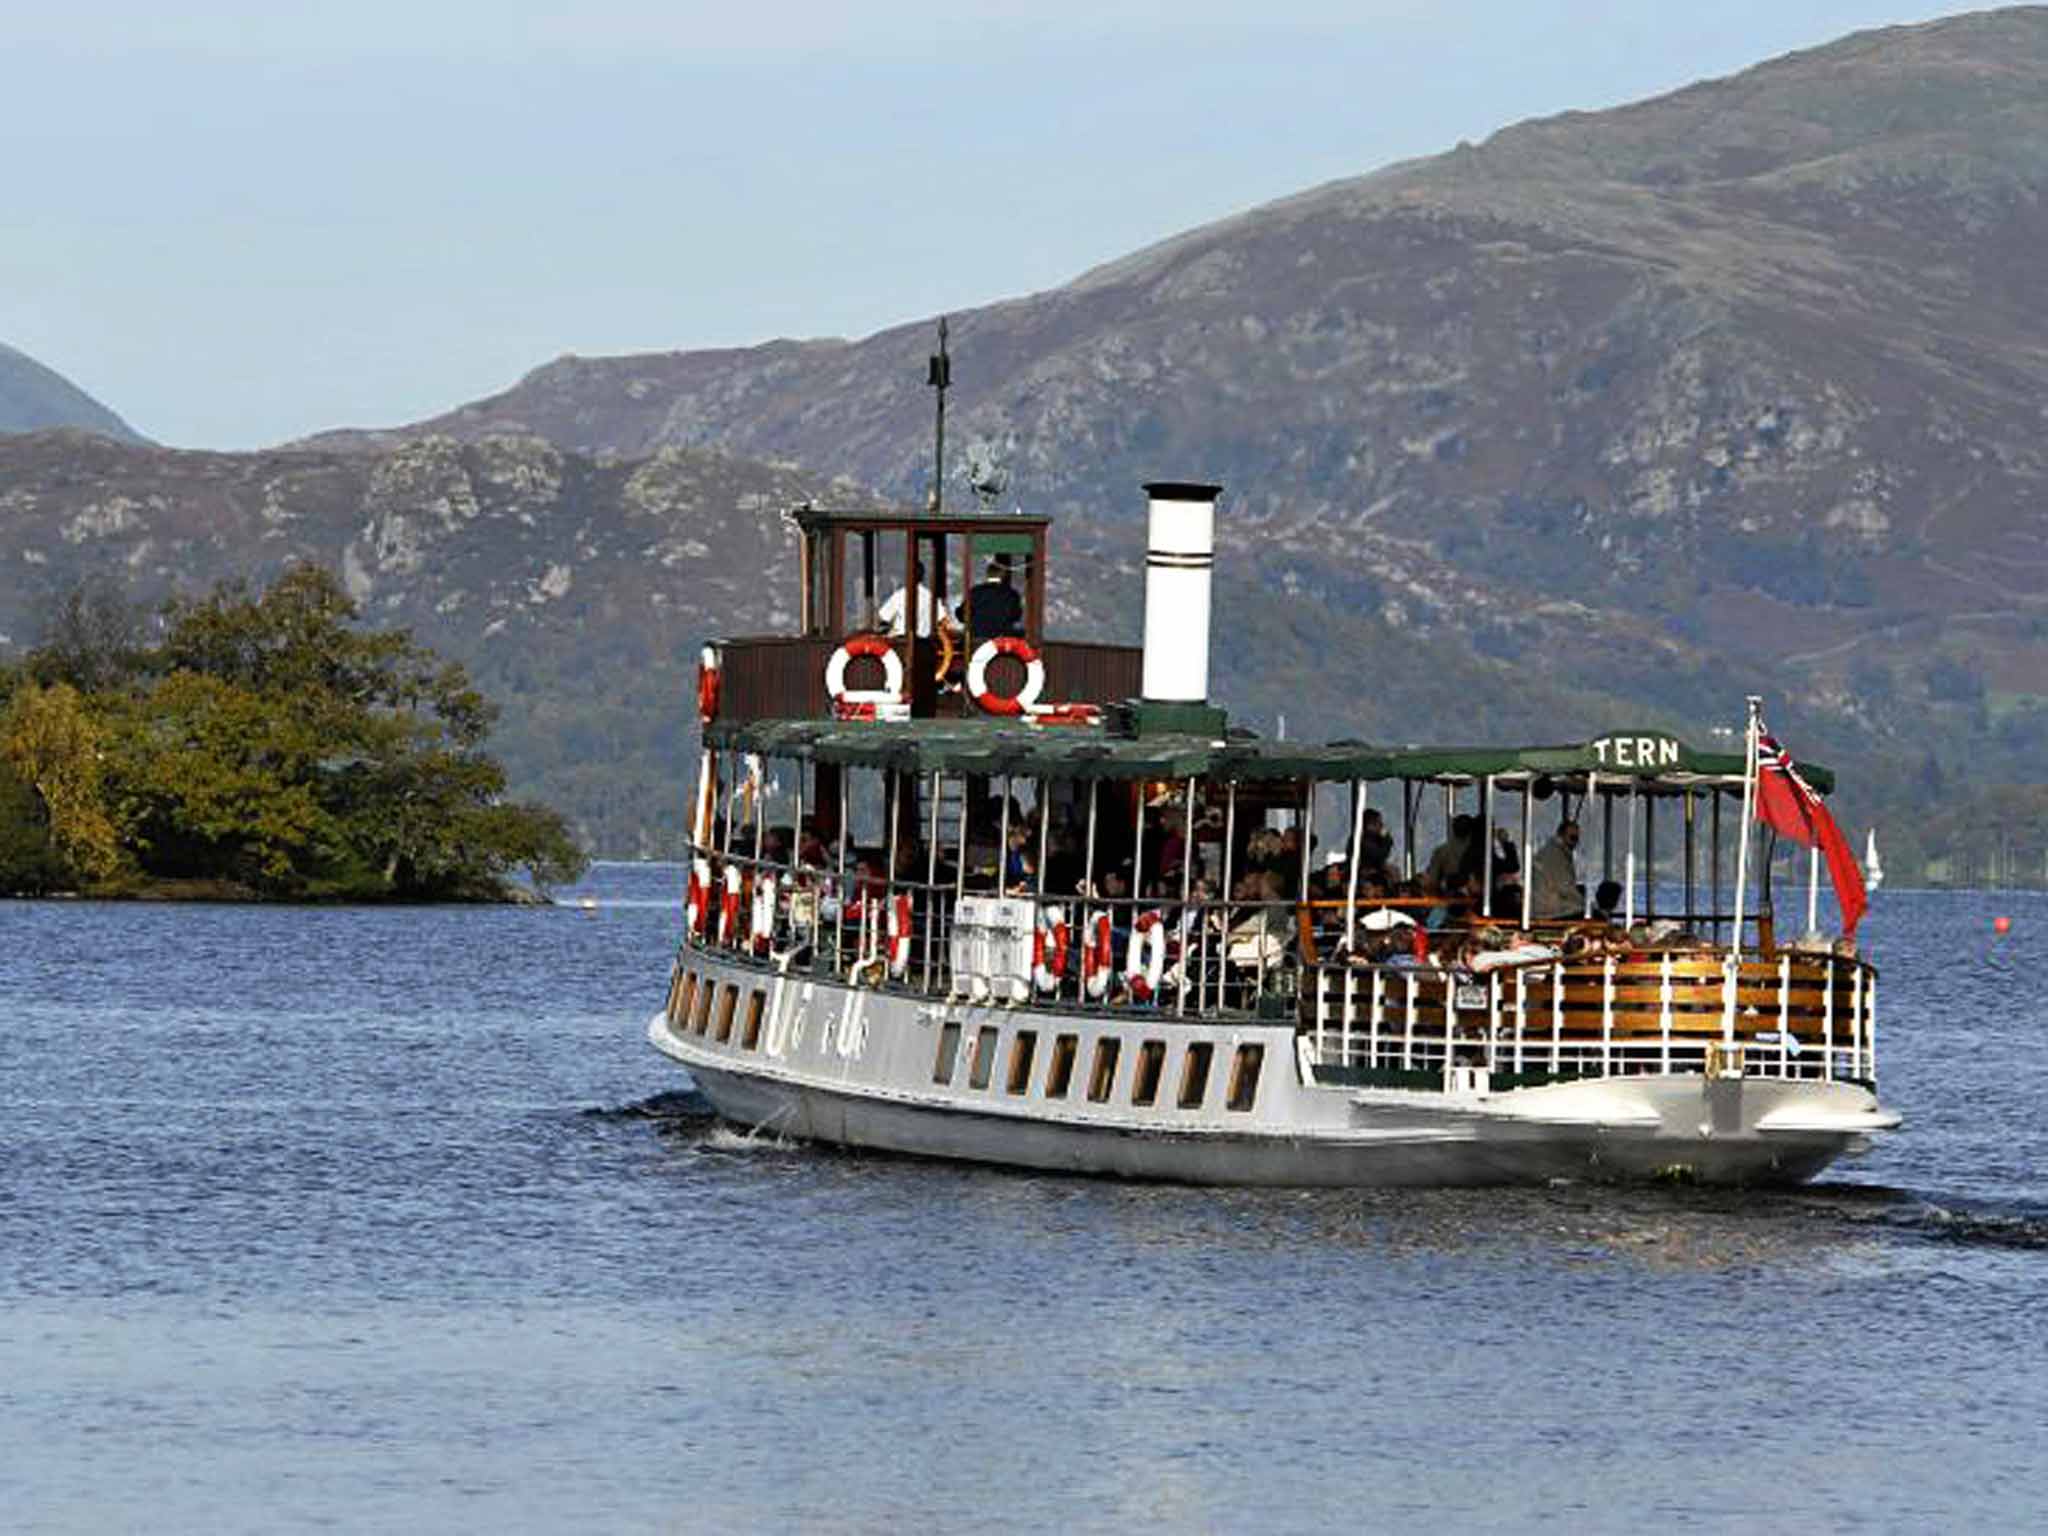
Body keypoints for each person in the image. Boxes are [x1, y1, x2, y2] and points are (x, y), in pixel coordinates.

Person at [1526, 819, 1582, 920]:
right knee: (1590, 916)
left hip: (1543, 908)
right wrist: (1583, 903)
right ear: (1561, 836)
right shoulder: (1555, 855)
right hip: (1551, 910)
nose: (1575, 843)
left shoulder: (1551, 851)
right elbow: (1564, 886)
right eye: (1573, 838)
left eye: (1577, 839)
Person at [958, 558, 1024, 642]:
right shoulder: (1011, 594)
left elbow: (961, 614)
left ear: (988, 574)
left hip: (977, 640)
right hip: (1002, 641)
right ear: (1003, 574)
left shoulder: (975, 592)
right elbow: (1016, 616)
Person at [878, 561, 938, 639]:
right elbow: (941, 620)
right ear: (923, 576)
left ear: (908, 575)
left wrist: (887, 631)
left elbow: (884, 617)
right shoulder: (930, 596)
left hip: (902, 641)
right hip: (926, 642)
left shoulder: (900, 595)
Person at [1423, 815, 1478, 897]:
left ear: (1452, 830)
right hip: (1476, 899)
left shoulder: (1441, 852)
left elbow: (1432, 881)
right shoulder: (1480, 852)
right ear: (1472, 831)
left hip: (1449, 899)